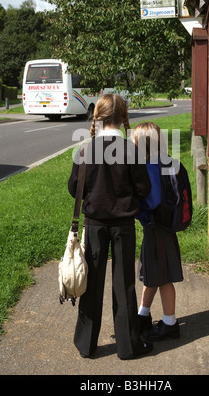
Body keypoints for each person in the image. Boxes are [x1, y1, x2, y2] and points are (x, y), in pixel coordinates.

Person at [68, 94, 153, 360]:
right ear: (123, 117)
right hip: (124, 225)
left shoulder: (84, 149)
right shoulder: (131, 150)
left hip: (94, 224)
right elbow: (144, 188)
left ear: (99, 117)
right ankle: (128, 346)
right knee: (124, 283)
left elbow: (74, 189)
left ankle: (86, 344)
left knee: (91, 283)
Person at [130, 122, 184, 341]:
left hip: (156, 228)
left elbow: (151, 201)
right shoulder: (165, 161)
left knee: (163, 278)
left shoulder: (150, 166)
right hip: (165, 227)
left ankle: (170, 323)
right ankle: (143, 314)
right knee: (152, 273)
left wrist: (135, 205)